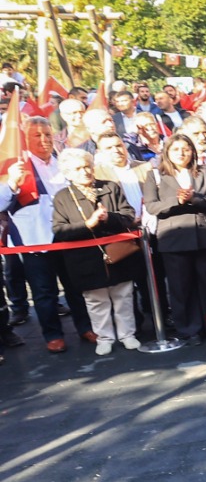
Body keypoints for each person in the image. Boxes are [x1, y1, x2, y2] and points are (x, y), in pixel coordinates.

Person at [4, 117, 95, 351]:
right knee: (44, 291)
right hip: (35, 240)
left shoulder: (62, 161)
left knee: (76, 285)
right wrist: (12, 183)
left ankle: (85, 327)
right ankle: (53, 335)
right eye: (37, 135)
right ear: (25, 139)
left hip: (67, 234)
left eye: (47, 134)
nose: (44, 140)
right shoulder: (14, 166)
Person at [51, 148, 143, 355]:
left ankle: (128, 335)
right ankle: (104, 337)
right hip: (85, 259)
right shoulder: (62, 197)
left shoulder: (110, 186)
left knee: (123, 296)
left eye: (87, 166)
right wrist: (88, 224)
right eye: (78, 169)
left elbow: (128, 215)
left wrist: (108, 218)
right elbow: (59, 230)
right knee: (96, 300)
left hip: (118, 253)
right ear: (68, 173)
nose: (84, 172)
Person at [143, 133, 206, 345]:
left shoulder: (205, 171)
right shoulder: (155, 175)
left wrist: (194, 199)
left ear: (193, 151)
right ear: (167, 152)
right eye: (176, 149)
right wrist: (176, 200)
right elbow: (151, 206)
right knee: (181, 286)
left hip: (205, 235)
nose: (181, 153)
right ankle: (190, 330)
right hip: (174, 238)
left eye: (186, 149)